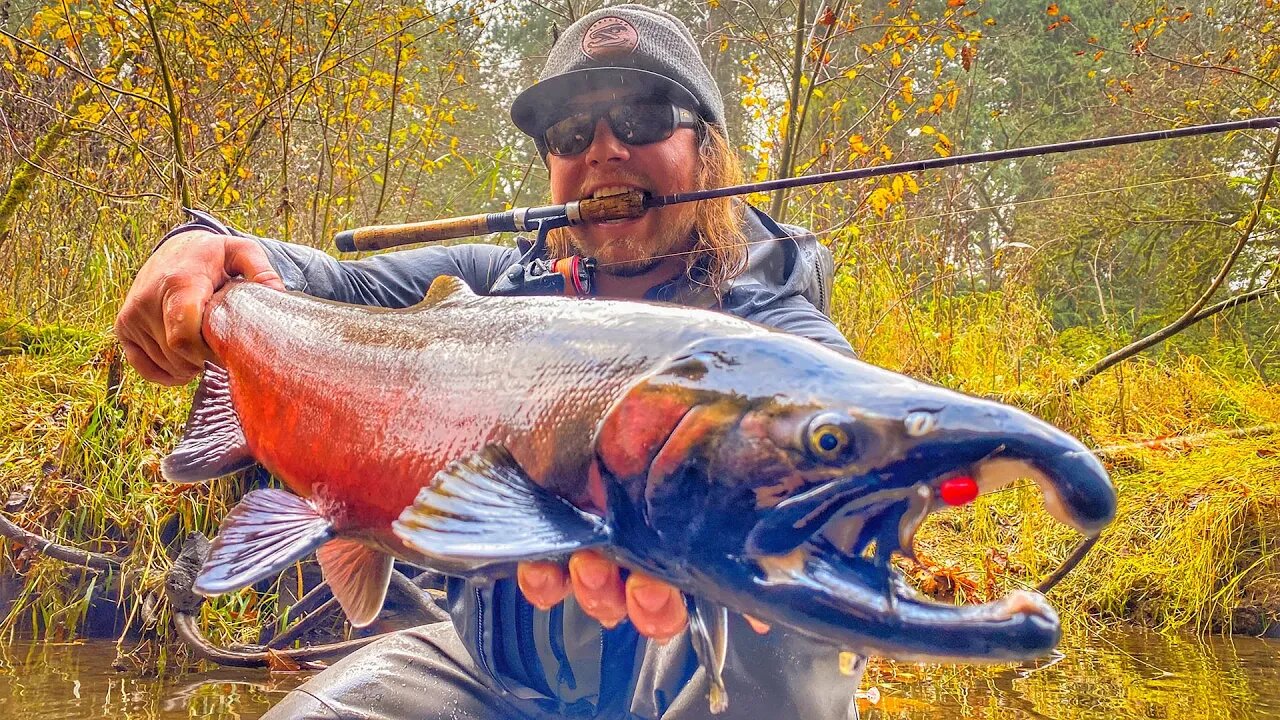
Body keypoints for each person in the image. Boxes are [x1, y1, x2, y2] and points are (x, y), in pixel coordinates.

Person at [116, 5, 860, 718]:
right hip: (493, 671)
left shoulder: (773, 326)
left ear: (707, 149)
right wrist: (197, 247)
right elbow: (317, 282)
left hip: (695, 664)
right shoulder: (495, 286)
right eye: (571, 133)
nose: (604, 147)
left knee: (791, 618)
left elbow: (847, 430)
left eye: (643, 118)